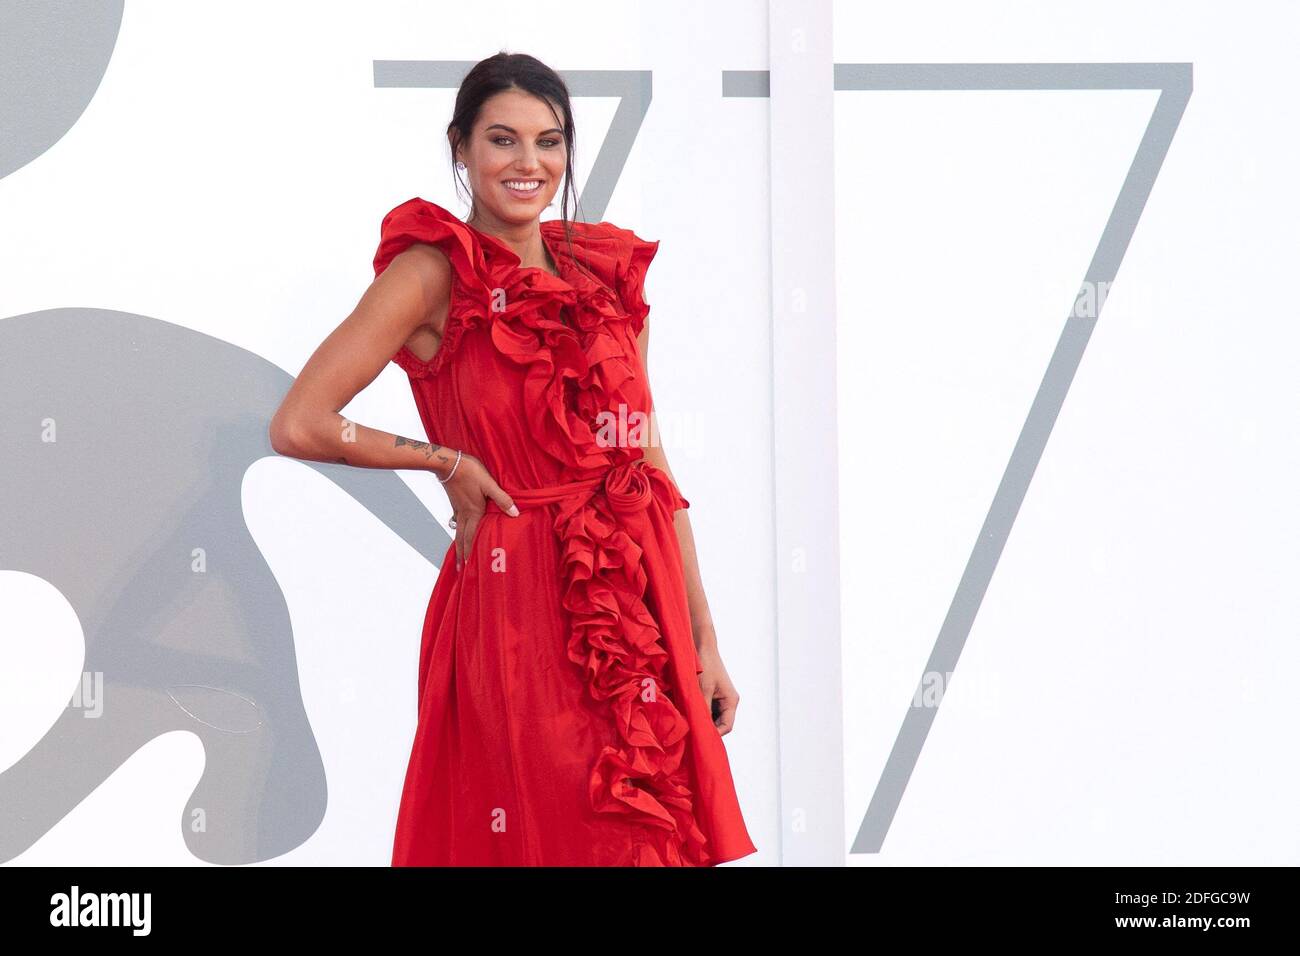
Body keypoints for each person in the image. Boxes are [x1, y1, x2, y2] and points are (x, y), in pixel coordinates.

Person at [269, 51, 756, 866]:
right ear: (459, 148)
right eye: (502, 140)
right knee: (550, 832)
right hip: (518, 600)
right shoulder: (432, 275)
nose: (530, 164)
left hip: (636, 598)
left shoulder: (603, 275)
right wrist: (446, 461)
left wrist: (702, 639)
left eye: (550, 141)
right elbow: (301, 422)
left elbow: (647, 460)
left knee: (647, 834)